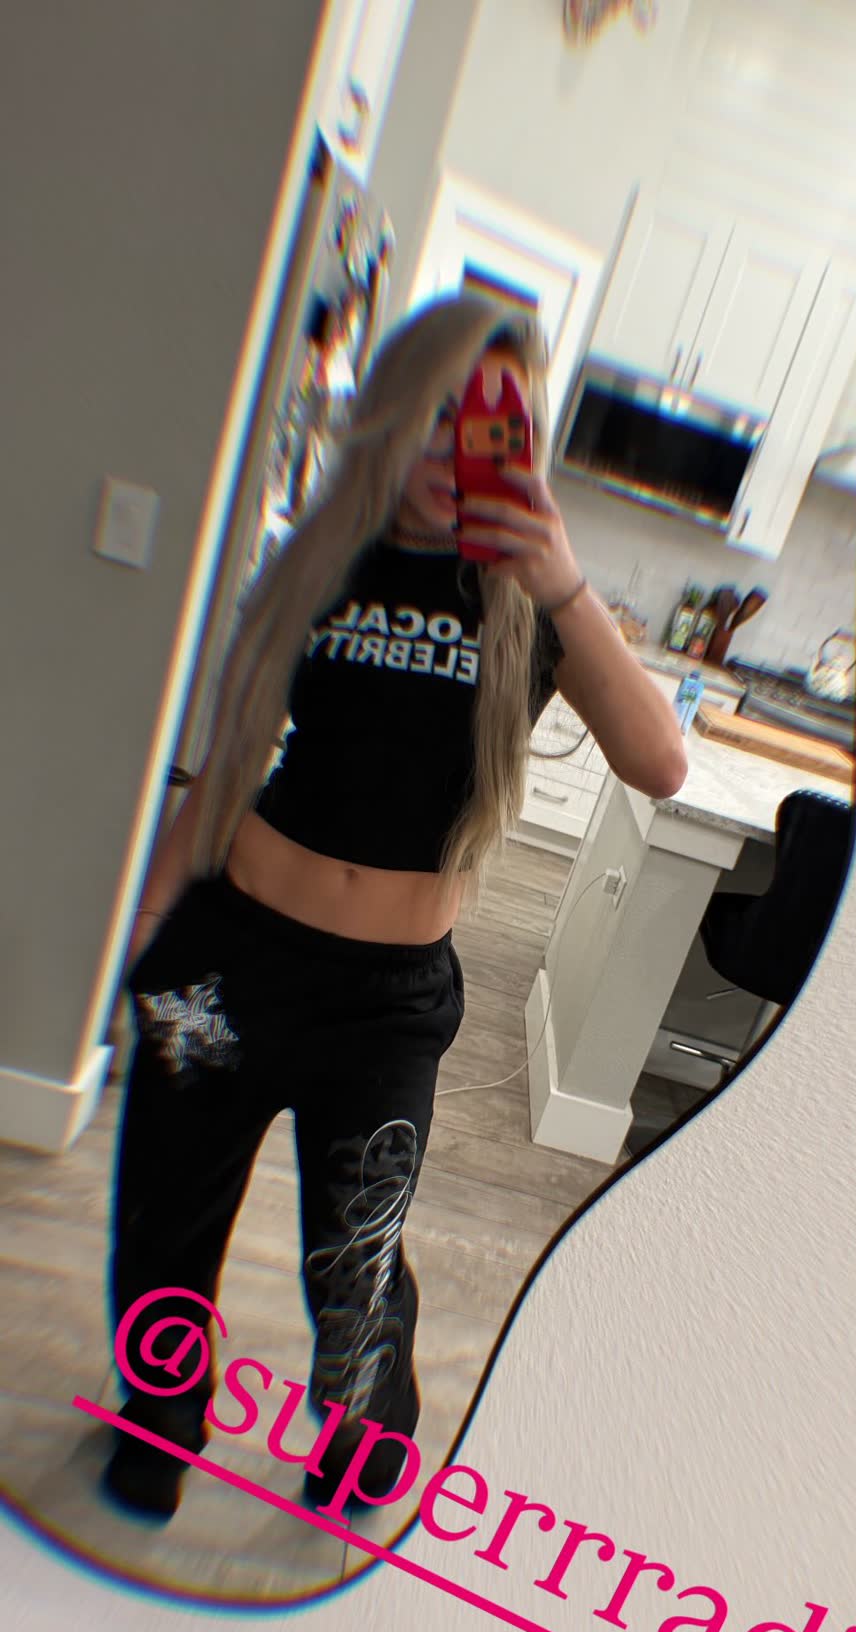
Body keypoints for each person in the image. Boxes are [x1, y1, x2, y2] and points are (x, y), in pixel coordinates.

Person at [104, 291, 688, 1522]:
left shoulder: (529, 601)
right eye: (433, 414)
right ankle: (156, 1424)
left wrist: (563, 581)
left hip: (385, 1003)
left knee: (357, 1258)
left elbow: (659, 765)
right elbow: (226, 772)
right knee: (167, 1218)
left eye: (486, 424)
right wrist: (143, 924)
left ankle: (365, 1439)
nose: (449, 448)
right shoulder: (317, 563)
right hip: (226, 961)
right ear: (388, 414)